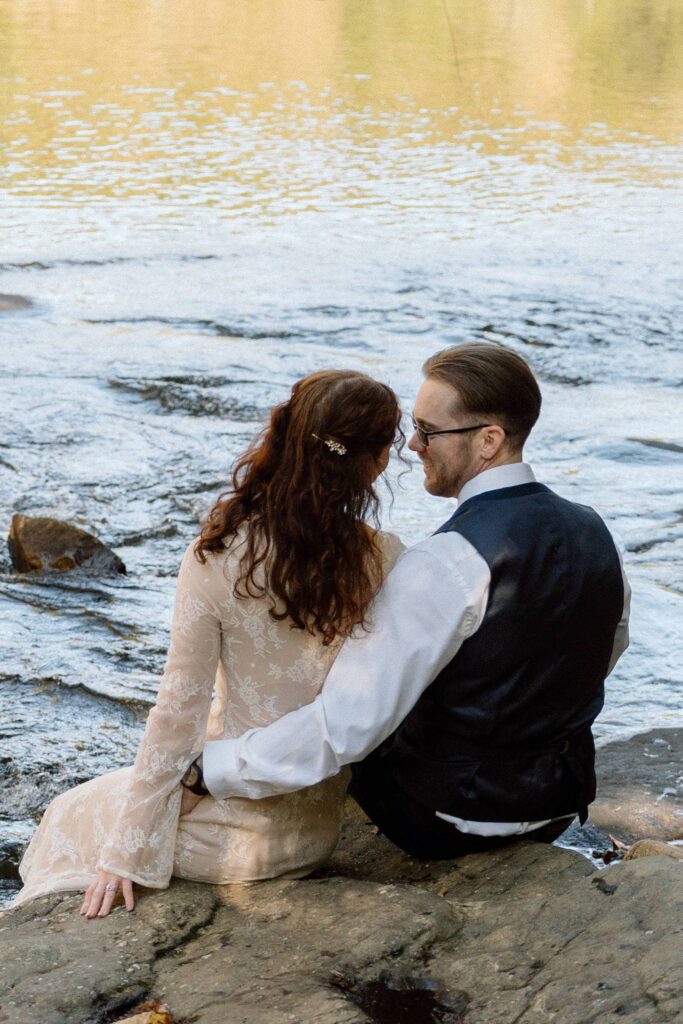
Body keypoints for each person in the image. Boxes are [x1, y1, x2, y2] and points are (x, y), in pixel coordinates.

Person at [189, 344, 630, 861]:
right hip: (558, 807)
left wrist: (213, 767)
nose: (413, 445)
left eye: (429, 431)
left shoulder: (445, 561)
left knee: (355, 699)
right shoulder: (596, 531)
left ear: (489, 440)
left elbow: (344, 727)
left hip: (448, 820)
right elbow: (606, 650)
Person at [13, 370, 406, 916]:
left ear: (285, 436)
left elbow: (178, 711)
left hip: (227, 833)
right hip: (313, 833)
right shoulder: (387, 558)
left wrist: (128, 854)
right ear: (379, 460)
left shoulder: (217, 554)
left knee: (66, 811)